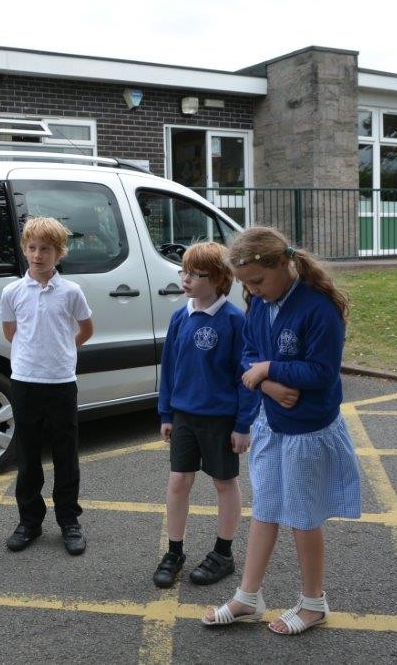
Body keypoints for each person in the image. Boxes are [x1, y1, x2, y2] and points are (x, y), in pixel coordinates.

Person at [203, 226, 361, 635]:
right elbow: (249, 355)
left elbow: (323, 372)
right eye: (245, 285)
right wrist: (267, 380)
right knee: (267, 508)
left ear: (284, 264)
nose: (252, 291)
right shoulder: (259, 303)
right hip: (272, 422)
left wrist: (269, 370)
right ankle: (248, 596)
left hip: (307, 429)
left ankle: (314, 603)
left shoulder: (318, 307)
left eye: (257, 281)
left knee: (304, 517)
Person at [153, 242, 257, 589]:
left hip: (220, 419)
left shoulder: (233, 320)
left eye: (195, 274)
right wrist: (166, 412)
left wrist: (242, 425)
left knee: (224, 483)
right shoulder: (180, 316)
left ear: (218, 279)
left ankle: (223, 553)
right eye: (184, 271)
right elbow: (169, 367)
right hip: (184, 416)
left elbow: (246, 376)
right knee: (178, 482)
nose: (186, 279)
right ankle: (175, 550)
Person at [0, 216, 94, 555]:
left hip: (60, 382)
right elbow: (11, 332)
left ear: (59, 253)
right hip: (25, 381)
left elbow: (86, 329)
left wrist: (64, 351)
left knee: (66, 455)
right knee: (27, 455)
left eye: (46, 249)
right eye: (33, 248)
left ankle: (69, 520)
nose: (38, 255)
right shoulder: (12, 292)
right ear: (25, 250)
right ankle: (29, 521)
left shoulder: (71, 292)